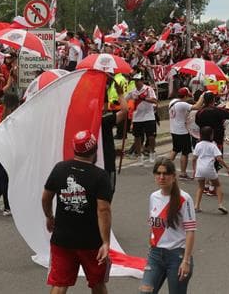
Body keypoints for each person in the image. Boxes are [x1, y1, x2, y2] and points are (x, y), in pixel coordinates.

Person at [42, 130, 112, 294]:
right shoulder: (100, 176)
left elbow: (45, 198)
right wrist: (106, 242)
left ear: (74, 149)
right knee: (97, 283)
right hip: (91, 241)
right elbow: (103, 210)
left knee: (59, 284)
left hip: (62, 239)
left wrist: (49, 216)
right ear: (95, 150)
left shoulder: (60, 168)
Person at [141, 158, 196, 294]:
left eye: (165, 173)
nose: (161, 177)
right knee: (145, 292)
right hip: (155, 254)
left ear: (173, 176)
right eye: (158, 173)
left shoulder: (184, 199)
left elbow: (190, 231)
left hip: (177, 256)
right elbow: (153, 226)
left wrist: (186, 261)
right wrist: (150, 246)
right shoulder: (153, 197)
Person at [193, 126, 229, 214]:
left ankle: (196, 206)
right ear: (211, 135)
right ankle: (221, 204)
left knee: (200, 187)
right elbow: (219, 158)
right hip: (209, 168)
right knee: (217, 185)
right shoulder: (213, 145)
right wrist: (227, 167)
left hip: (200, 168)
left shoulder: (198, 145)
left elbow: (194, 158)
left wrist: (195, 169)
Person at [126, 73, 158, 163]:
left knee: (151, 136)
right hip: (137, 117)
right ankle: (139, 155)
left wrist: (144, 98)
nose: (136, 83)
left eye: (137, 81)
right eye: (134, 81)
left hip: (149, 116)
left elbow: (155, 100)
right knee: (137, 137)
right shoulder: (133, 92)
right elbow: (125, 100)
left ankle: (152, 152)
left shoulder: (148, 89)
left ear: (142, 81)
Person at [168, 87, 194, 179]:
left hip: (174, 130)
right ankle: (183, 173)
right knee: (185, 152)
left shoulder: (173, 101)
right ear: (185, 95)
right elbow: (197, 107)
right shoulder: (182, 104)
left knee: (175, 149)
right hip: (182, 131)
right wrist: (202, 97)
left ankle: (165, 167)